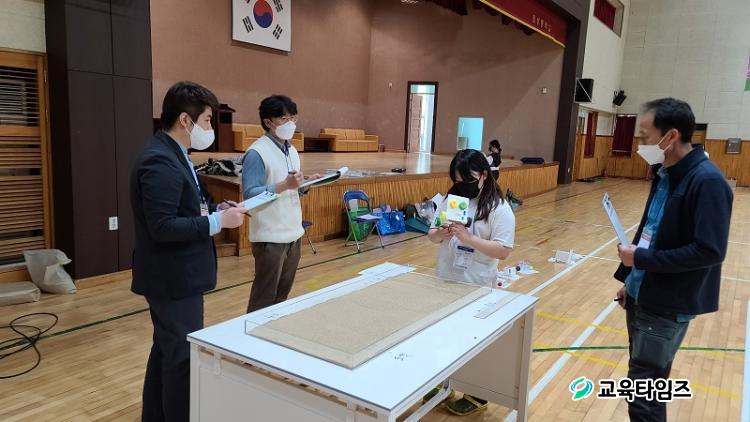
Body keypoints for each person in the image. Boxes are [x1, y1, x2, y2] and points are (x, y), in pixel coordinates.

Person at [130, 81, 248, 422]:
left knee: (166, 351)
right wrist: (217, 222)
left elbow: (190, 204)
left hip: (177, 275)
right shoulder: (159, 161)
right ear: (185, 120)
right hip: (172, 278)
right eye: (208, 120)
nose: (210, 128)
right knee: (181, 360)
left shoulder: (175, 153)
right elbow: (163, 226)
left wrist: (216, 209)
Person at [613, 98, 733, 422]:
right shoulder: (664, 173)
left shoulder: (707, 181)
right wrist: (631, 280)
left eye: (645, 136)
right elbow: (651, 230)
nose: (641, 144)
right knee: (649, 391)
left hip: (666, 305)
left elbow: (709, 250)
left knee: (642, 398)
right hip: (643, 295)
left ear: (671, 136)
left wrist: (641, 259)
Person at [425, 149, 515, 416]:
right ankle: (443, 382)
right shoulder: (452, 200)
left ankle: (477, 393)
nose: (461, 185)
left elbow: (503, 250)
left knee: (473, 339)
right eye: (457, 180)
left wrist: (469, 239)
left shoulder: (499, 208)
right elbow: (432, 235)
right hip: (446, 277)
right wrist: (442, 233)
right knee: (443, 334)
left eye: (467, 179)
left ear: (484, 175)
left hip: (476, 283)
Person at [241, 95, 318, 313]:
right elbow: (250, 196)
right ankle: (252, 334)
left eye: (293, 118)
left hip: (293, 233)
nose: (290, 124)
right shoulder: (256, 153)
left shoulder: (291, 150)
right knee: (263, 300)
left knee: (281, 298)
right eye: (284, 119)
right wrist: (284, 185)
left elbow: (292, 188)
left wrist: (306, 184)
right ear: (268, 121)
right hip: (270, 238)